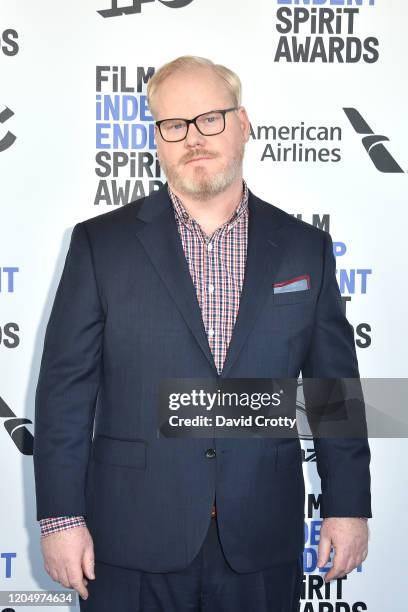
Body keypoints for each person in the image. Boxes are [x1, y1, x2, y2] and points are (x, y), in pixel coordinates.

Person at [33, 55, 371, 612]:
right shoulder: (100, 245)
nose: (193, 137)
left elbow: (333, 392)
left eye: (210, 118)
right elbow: (65, 393)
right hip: (129, 539)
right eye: (173, 125)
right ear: (158, 140)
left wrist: (348, 506)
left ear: (244, 123)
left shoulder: (304, 248)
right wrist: (61, 519)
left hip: (261, 535)